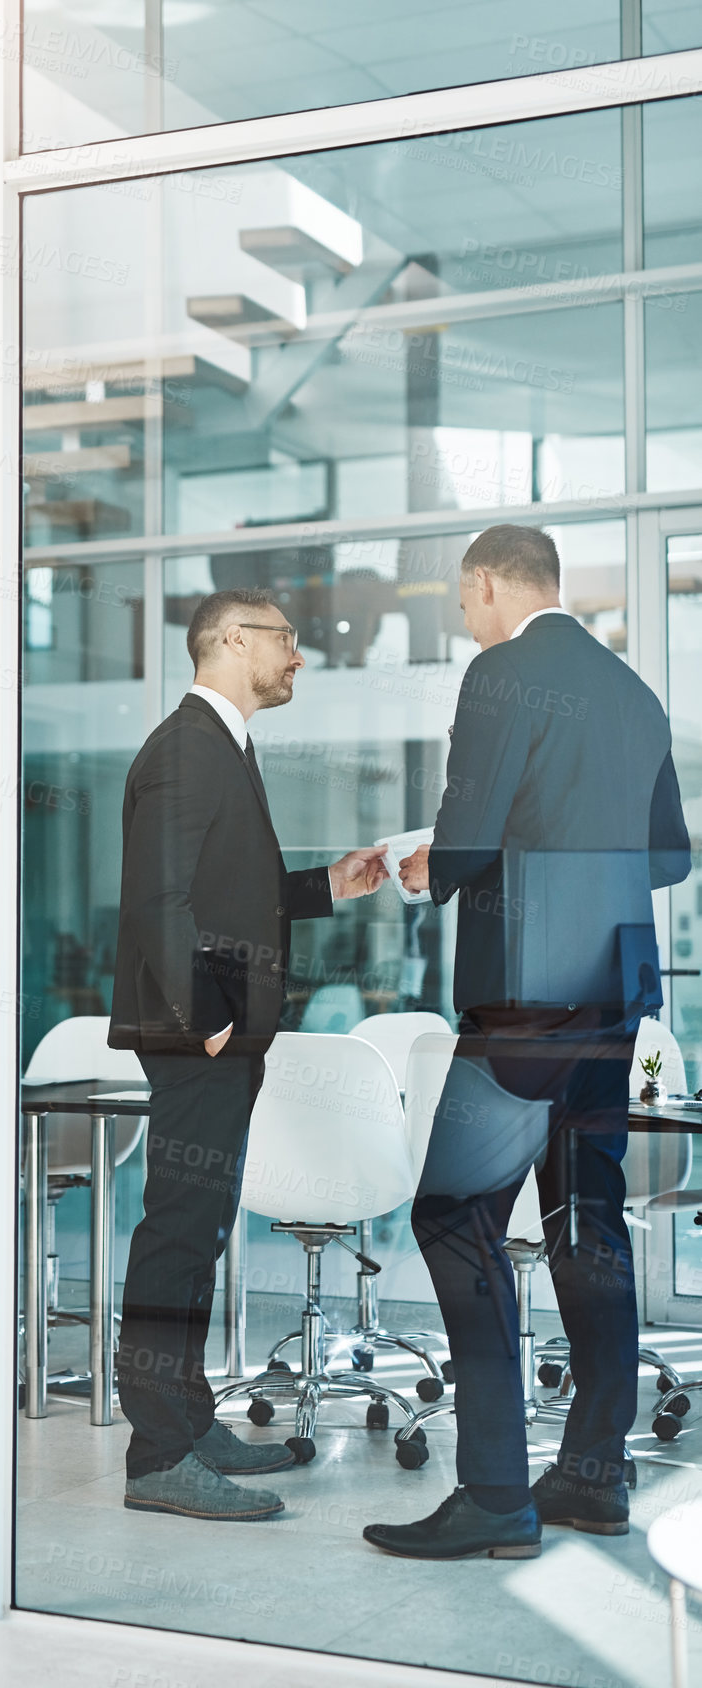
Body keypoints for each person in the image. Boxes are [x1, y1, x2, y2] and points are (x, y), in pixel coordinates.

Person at [363, 523, 690, 1562]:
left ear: (489, 584)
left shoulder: (502, 674)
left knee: (452, 1218)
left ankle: (498, 1491)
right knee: (586, 1227)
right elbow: (671, 858)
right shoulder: (634, 692)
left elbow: (461, 845)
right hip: (612, 1002)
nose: (467, 621)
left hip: (519, 1010)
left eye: (465, 603)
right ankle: (594, 1477)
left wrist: (424, 867)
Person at [109, 587, 386, 1522]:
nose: (297, 657)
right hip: (201, 1036)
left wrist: (326, 887)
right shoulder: (187, 747)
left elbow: (229, 890)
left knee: (199, 1232)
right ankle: (155, 1454)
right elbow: (156, 900)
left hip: (221, 1032)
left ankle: (186, 1423)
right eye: (285, 640)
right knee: (177, 1235)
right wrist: (205, 1018)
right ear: (230, 639)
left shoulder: (220, 744)